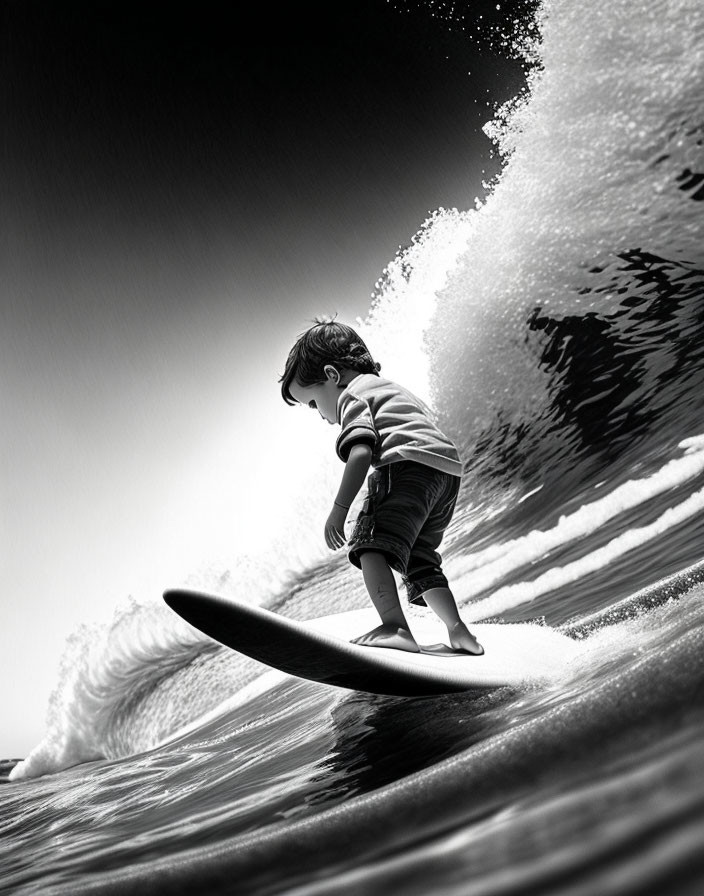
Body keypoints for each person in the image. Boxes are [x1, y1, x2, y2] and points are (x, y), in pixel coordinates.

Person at [280, 318, 483, 656]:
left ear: (331, 376)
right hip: (447, 471)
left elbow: (360, 452)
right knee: (420, 559)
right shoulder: (390, 387)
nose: (318, 414)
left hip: (405, 464)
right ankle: (458, 630)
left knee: (368, 544)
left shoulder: (352, 396)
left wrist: (338, 511)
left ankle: (396, 627)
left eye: (314, 402)